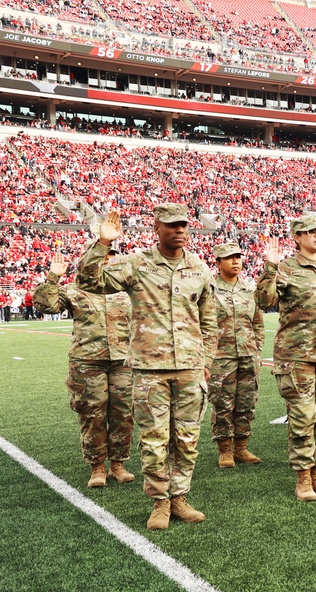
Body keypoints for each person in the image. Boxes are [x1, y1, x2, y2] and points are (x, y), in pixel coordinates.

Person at [76, 204, 217, 531]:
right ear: (156, 227)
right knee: (154, 441)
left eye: (183, 225)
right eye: (172, 225)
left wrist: (206, 359)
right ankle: (160, 502)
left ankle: (180, 498)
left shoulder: (198, 268)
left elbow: (209, 318)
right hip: (150, 370)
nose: (180, 230)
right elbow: (88, 280)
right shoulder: (137, 264)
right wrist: (102, 244)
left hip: (190, 369)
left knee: (187, 438)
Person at [256, 214, 316, 501]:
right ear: (297, 236)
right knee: (302, 418)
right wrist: (270, 267)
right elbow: (264, 301)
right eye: (310, 231)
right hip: (297, 356)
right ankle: (303, 478)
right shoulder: (285, 268)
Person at [33, 246, 134, 488]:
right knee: (92, 414)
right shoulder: (75, 290)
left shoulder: (126, 291)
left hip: (123, 362)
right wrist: (53, 277)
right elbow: (45, 305)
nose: (107, 262)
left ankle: (118, 465)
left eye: (111, 258)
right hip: (87, 362)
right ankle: (97, 467)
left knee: (123, 414)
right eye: (103, 257)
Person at [208, 242, 265, 468]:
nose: (235, 261)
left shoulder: (249, 288)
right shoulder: (209, 289)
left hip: (248, 355)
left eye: (238, 257)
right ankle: (224, 450)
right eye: (229, 258)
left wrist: (257, 348)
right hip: (221, 357)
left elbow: (258, 322)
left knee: (246, 402)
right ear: (218, 262)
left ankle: (241, 448)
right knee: (222, 404)